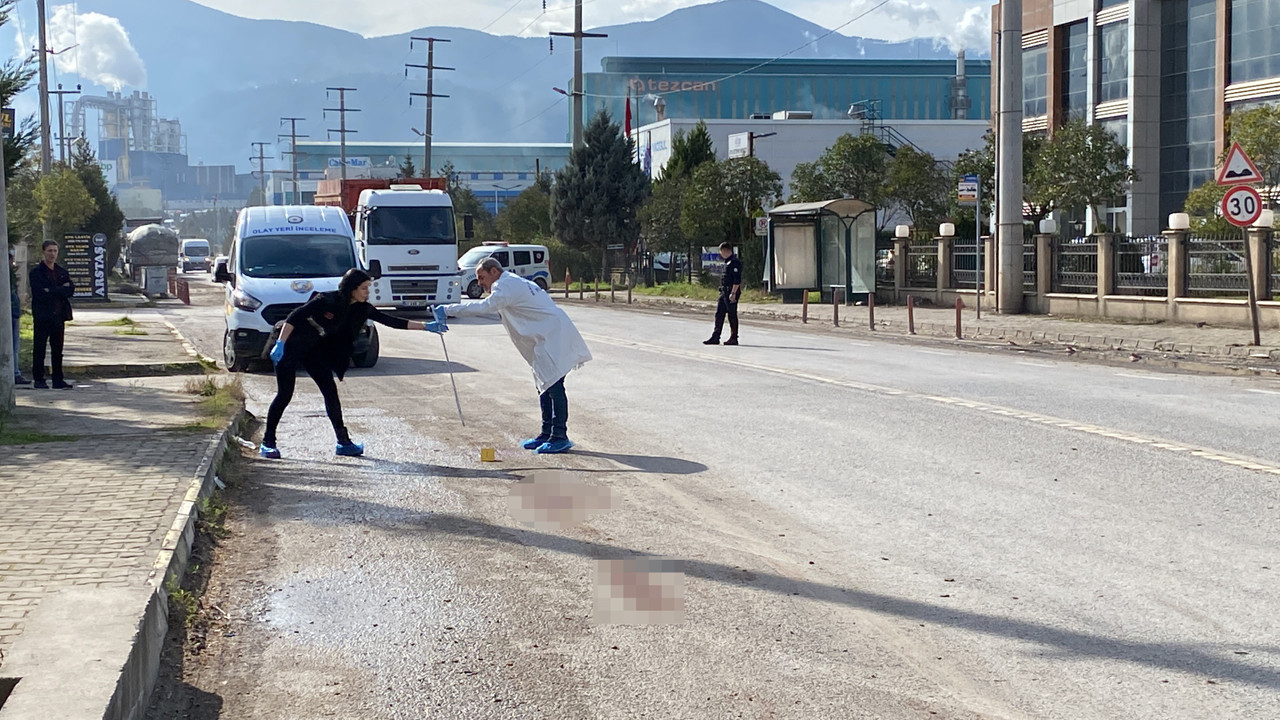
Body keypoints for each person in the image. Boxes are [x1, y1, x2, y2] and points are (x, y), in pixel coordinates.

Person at [260, 268, 446, 459]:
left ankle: (343, 442)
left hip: (314, 349)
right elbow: (294, 317)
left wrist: (426, 327)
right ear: (352, 288)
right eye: (364, 288)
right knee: (285, 394)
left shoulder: (362, 308)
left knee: (330, 392)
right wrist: (280, 344)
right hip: (291, 344)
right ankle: (268, 442)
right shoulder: (326, 300)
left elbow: (390, 321)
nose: (368, 292)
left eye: (368, 288)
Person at [436, 257, 591, 454]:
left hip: (551, 336)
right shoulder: (510, 282)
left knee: (554, 385)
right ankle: (546, 433)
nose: (480, 283)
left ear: (494, 271)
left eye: (482, 277)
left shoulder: (504, 285)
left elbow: (484, 307)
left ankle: (560, 436)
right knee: (544, 385)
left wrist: (447, 309)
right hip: (545, 336)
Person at [29, 240, 75, 389]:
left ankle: (58, 379)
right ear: (44, 252)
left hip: (59, 315)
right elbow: (40, 293)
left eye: (55, 251)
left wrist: (52, 290)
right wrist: (59, 290)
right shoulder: (37, 273)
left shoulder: (61, 271)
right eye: (50, 251)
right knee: (39, 349)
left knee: (57, 350)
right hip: (43, 315)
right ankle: (39, 379)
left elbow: (70, 290)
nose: (52, 254)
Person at [703, 242, 741, 346]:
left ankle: (734, 338)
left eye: (721, 251)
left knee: (732, 315)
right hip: (724, 292)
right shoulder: (727, 262)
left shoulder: (734, 262)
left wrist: (733, 293)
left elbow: (737, 280)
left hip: (731, 292)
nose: (721, 254)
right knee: (719, 314)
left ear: (725, 250)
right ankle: (715, 337)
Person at [9, 247, 28, 386]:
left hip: (14, 314)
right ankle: (14, 373)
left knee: (15, 346)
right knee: (12, 346)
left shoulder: (10, 274)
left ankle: (15, 372)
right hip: (8, 315)